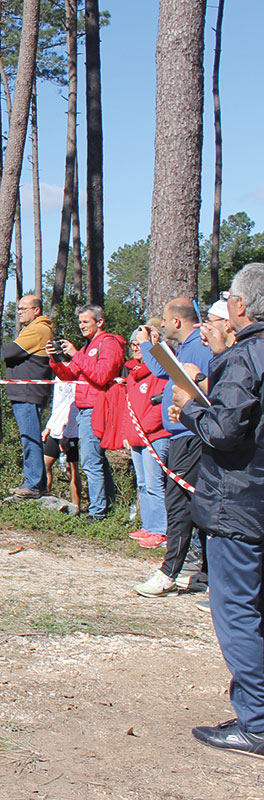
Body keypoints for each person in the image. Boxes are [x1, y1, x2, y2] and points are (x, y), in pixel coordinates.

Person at [170, 262, 264, 759]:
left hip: (239, 505)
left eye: (228, 298)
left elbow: (225, 432)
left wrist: (190, 406)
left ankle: (257, 724)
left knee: (237, 613)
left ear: (241, 306)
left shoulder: (243, 357)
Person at [134, 297, 214, 596]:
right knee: (194, 503)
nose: (164, 325)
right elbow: (164, 371)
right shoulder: (188, 346)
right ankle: (204, 573)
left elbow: (204, 388)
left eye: (166, 321)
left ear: (177, 321)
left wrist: (146, 344)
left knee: (178, 502)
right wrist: (152, 345)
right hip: (184, 434)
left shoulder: (199, 347)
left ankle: (169, 572)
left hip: (190, 436)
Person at [48, 304, 125, 520]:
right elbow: (70, 375)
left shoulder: (109, 344)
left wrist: (75, 355)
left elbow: (102, 375)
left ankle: (97, 512)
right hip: (84, 409)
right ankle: (107, 506)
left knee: (90, 461)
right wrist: (55, 359)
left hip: (98, 408)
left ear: (99, 322)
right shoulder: (86, 347)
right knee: (96, 459)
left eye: (86, 322)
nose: (81, 326)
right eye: (80, 322)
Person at [121, 326, 170, 554]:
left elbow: (159, 406)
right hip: (137, 437)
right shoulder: (132, 373)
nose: (135, 348)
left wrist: (145, 429)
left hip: (155, 436)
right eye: (133, 345)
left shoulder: (159, 371)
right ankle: (148, 526)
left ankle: (161, 530)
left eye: (139, 344)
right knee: (142, 483)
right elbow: (129, 406)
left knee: (154, 483)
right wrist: (128, 433)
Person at [2, 295, 55, 498]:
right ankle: (35, 483)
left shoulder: (38, 329)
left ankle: (33, 484)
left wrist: (13, 354)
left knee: (30, 438)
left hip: (29, 394)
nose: (19, 312)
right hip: (25, 393)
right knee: (29, 437)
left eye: (24, 308)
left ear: (36, 310)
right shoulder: (32, 329)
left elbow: (9, 352)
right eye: (18, 308)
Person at [41, 378, 81, 511]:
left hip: (70, 432)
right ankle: (46, 500)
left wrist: (67, 433)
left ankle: (76, 507)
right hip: (55, 430)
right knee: (45, 465)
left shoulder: (75, 378)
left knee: (72, 471)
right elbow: (57, 406)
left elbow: (74, 407)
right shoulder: (58, 378)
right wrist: (49, 426)